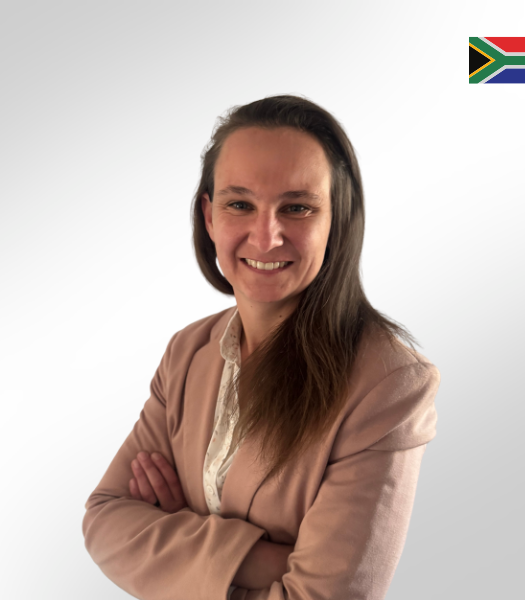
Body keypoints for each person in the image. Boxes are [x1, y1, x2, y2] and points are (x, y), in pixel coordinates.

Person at [82, 94, 441, 600]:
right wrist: (268, 560)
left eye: (297, 207)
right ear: (209, 217)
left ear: (337, 220)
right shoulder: (187, 352)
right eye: (239, 204)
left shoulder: (388, 385)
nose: (267, 237)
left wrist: (179, 543)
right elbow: (104, 518)